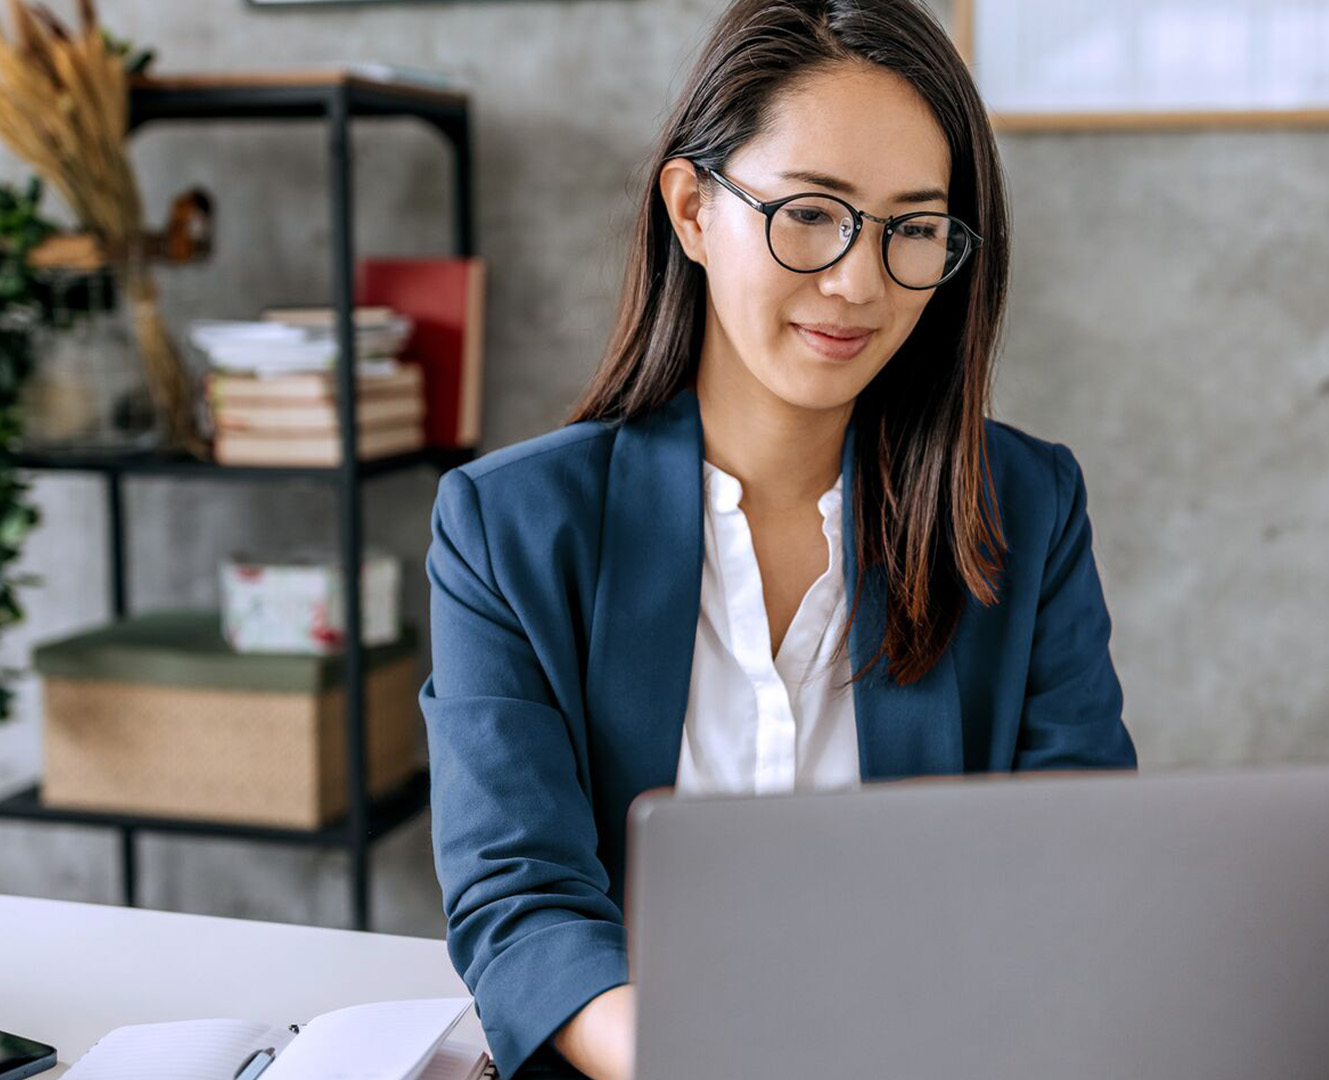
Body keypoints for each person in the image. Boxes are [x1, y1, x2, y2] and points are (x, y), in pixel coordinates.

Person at [418, 1, 1137, 1077]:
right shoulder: (509, 528)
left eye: (914, 228)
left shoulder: (1024, 509)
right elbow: (521, 904)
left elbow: (1078, 869)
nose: (859, 281)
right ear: (694, 210)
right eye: (812, 212)